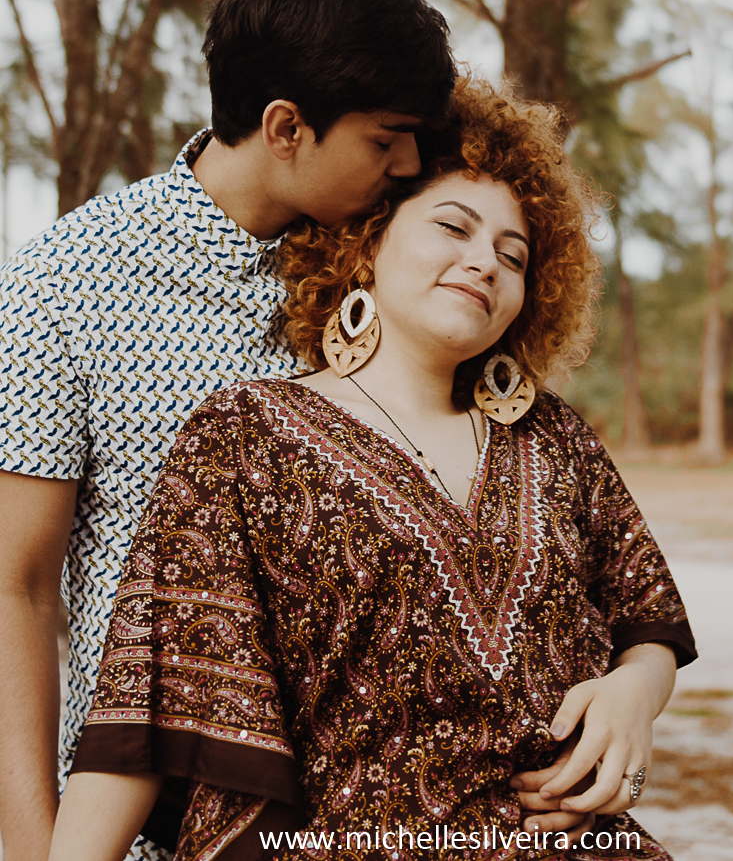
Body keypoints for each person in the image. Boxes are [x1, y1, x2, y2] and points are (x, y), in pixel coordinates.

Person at [49, 76, 697, 861]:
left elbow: (646, 614)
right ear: (369, 239)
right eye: (452, 228)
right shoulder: (245, 438)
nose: (483, 262)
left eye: (513, 254)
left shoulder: (552, 436)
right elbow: (147, 703)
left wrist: (637, 695)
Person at [0, 0, 457, 861]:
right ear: (286, 127)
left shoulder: (404, 264)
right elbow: (15, 588)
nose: (409, 162)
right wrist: (32, 846)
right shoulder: (64, 284)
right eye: (384, 136)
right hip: (145, 829)